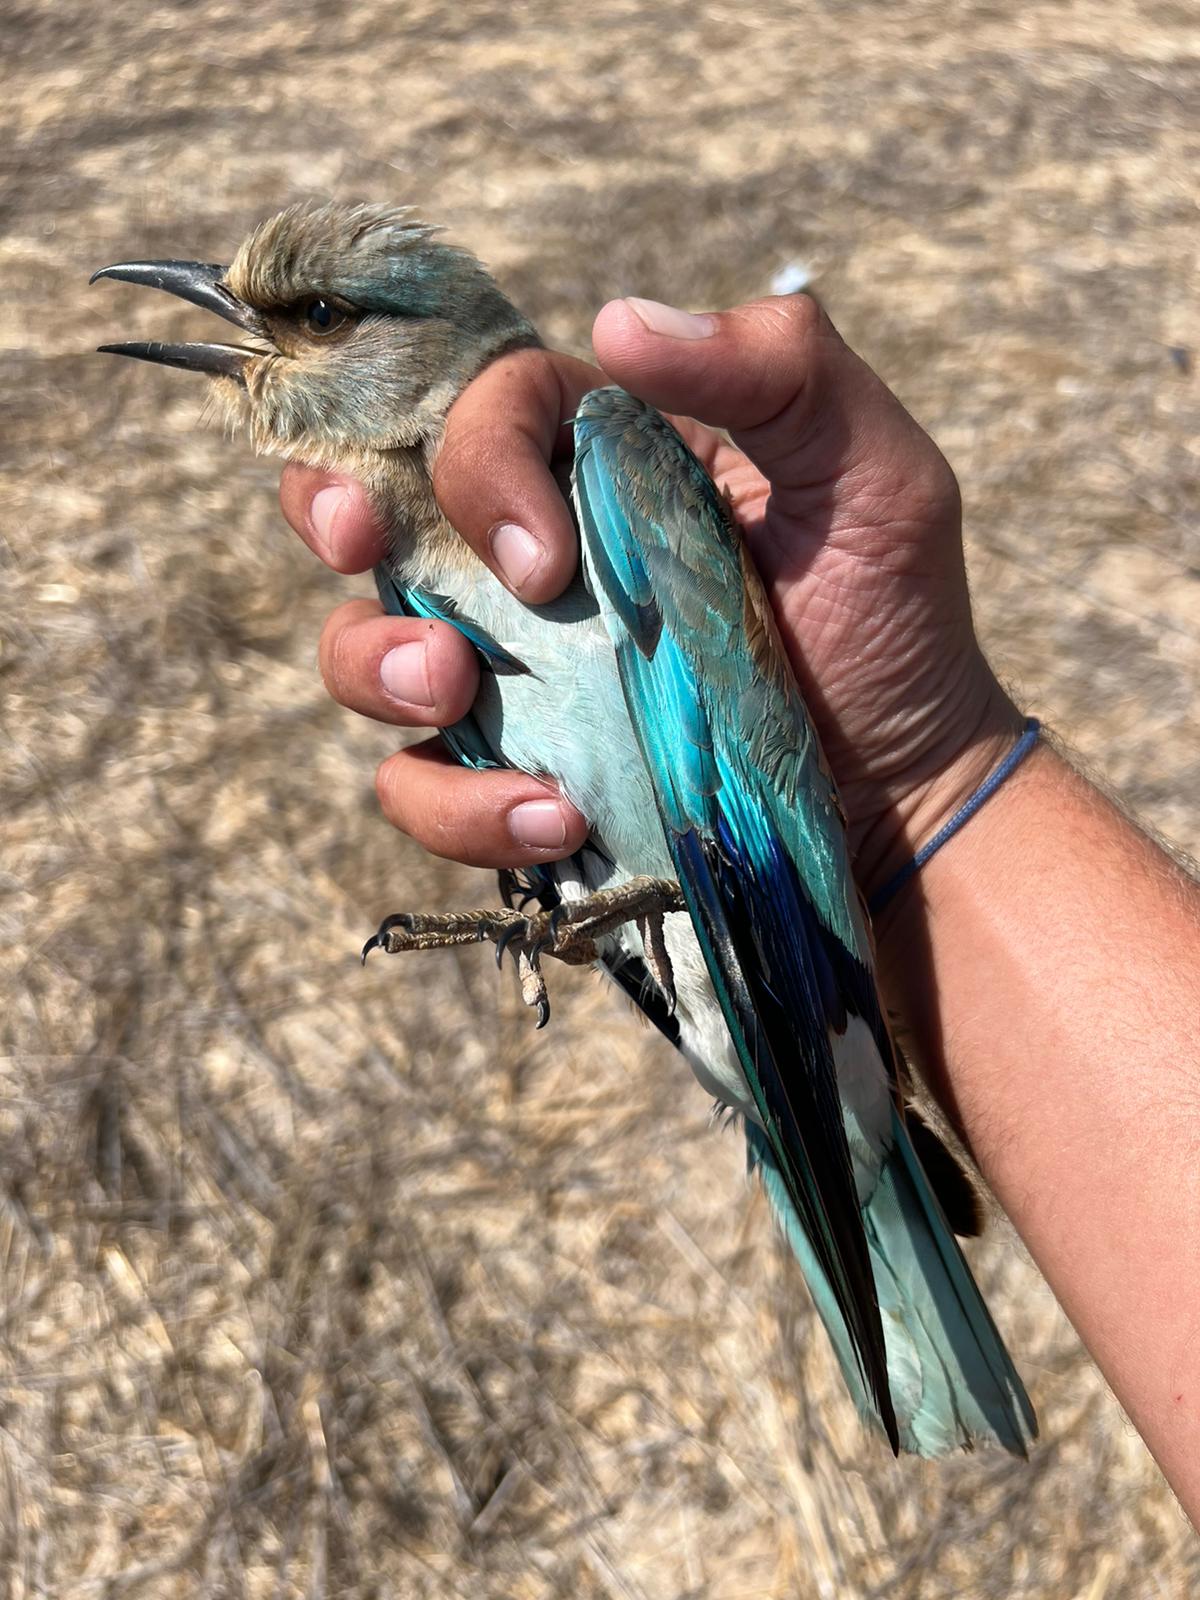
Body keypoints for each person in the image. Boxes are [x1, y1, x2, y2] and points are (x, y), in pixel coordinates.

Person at [277, 293, 1200, 1518]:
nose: (274, 344)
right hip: (719, 942)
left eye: (319, 317)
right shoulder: (404, 553)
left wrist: (908, 786)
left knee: (801, 1091)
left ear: (420, 340)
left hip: (764, 941)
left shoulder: (605, 451)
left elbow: (733, 811)